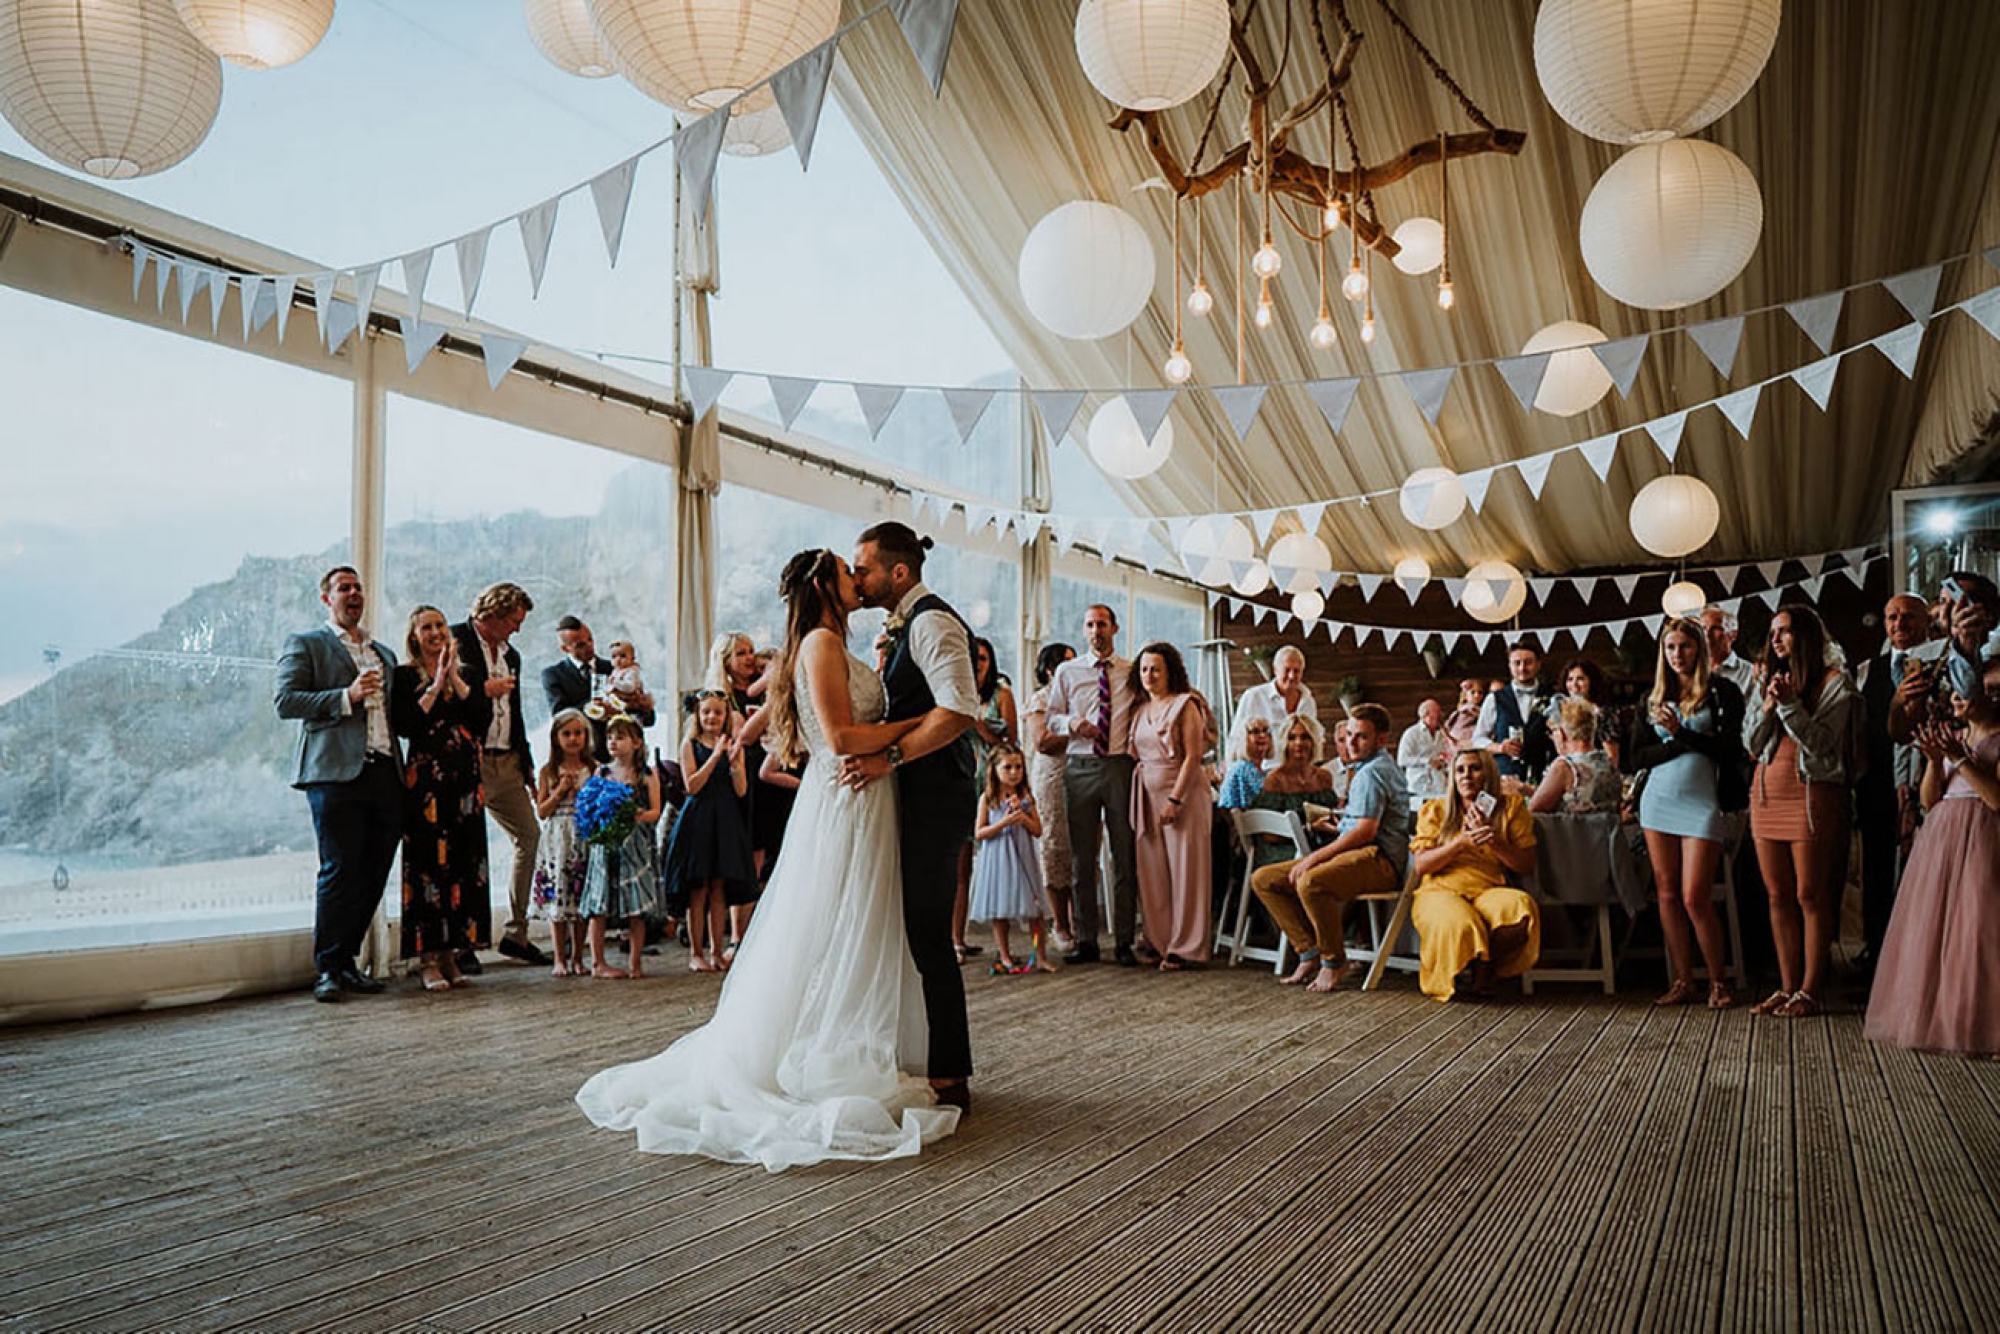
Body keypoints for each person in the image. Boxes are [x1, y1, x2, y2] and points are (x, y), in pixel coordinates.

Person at [576, 548, 960, 1169]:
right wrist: (921, 723)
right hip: (848, 794)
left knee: (856, 921)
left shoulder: (828, 642)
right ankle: (818, 1048)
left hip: (863, 794)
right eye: (847, 573)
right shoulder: (821, 644)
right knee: (838, 921)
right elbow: (839, 738)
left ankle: (851, 1038)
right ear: (824, 586)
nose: (857, 580)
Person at [842, 522, 979, 1110]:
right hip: (916, 792)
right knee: (912, 928)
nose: (858, 578)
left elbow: (959, 711)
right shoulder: (905, 624)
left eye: (865, 568)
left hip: (936, 794)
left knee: (928, 930)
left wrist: (890, 757)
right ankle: (918, 1055)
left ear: (898, 572)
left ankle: (950, 1072)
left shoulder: (932, 622)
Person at [274, 566, 403, 1004]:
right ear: (326, 598)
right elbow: (286, 701)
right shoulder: (306, 644)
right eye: (343, 588)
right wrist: (346, 696)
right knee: (339, 869)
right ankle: (328, 968)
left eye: (358, 587)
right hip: (334, 774)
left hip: (385, 772)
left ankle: (348, 962)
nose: (353, 593)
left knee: (374, 872)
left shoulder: (384, 653)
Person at [1865, 656, 2000, 1055]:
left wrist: (1960, 759)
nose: (1959, 696)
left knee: (1980, 929)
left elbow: (1995, 798)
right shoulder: (1953, 735)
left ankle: (1986, 1023)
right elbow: (1930, 799)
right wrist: (1934, 760)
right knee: (1940, 929)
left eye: (1973, 690)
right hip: (1943, 839)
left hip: (1984, 837)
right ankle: (1941, 1016)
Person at [1743, 604, 1860, 1018]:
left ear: (1806, 636)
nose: (1776, 639)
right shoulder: (1766, 680)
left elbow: (1823, 743)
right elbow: (1750, 743)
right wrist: (1767, 707)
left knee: (1810, 893)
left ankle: (1811, 988)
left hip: (1811, 793)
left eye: (1786, 631)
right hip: (1767, 793)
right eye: (1773, 632)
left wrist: (1791, 705)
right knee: (1777, 895)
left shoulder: (1836, 683)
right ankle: (1787, 985)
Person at [1629, 618, 1748, 1008]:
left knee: (1695, 896)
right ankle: (1683, 980)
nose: (1677, 654)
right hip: (1658, 800)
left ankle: (1718, 982)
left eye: (1685, 646)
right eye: (1670, 647)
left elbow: (1730, 748)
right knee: (1666, 893)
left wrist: (1681, 733)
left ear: (1699, 649)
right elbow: (1636, 756)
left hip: (1703, 801)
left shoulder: (1722, 692)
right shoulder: (1652, 697)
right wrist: (1682, 743)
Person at [1251, 704, 1410, 994]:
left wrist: (1313, 858)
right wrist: (1338, 826)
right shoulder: (1365, 769)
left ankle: (1334, 961)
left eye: (1361, 736)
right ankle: (1309, 952)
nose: (1351, 742)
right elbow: (1360, 825)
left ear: (1382, 739)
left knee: (1311, 882)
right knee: (1264, 879)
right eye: (1349, 735)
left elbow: (1366, 832)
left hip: (1380, 861)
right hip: (1359, 852)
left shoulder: (1373, 772)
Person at [391, 605, 493, 993]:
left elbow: (481, 719)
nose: (435, 633)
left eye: (440, 625)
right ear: (414, 636)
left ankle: (453, 954)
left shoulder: (469, 673)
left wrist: (453, 678)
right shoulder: (405, 676)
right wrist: (434, 685)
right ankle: (428, 959)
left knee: (464, 863)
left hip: (465, 781)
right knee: (428, 866)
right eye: (427, 627)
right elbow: (407, 724)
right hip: (427, 783)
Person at [453, 583, 549, 969]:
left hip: (507, 759)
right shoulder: (455, 640)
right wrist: (484, 689)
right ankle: (460, 941)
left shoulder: (512, 655)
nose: (517, 629)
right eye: (513, 621)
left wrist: (526, 763)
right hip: (470, 758)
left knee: (529, 836)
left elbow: (516, 710)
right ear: (492, 615)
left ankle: (516, 932)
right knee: (465, 848)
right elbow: (447, 696)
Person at [1043, 603, 1141, 966]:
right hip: (1080, 765)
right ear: (1084, 630)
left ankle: (1125, 942)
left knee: (1124, 856)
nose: (1096, 631)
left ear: (1114, 628)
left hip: (1120, 766)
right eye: (1090, 625)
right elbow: (1051, 718)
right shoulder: (1068, 671)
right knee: (1082, 859)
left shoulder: (1132, 671)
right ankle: (1086, 941)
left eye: (1102, 624)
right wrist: (1072, 724)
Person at [1406, 749, 1540, 1002]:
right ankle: (1459, 973)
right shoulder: (1436, 810)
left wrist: (1494, 841)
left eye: (1474, 769)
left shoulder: (1510, 807)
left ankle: (1484, 967)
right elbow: (1422, 866)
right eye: (1460, 770)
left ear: (1488, 774)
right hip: (1441, 890)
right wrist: (1460, 843)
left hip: (1488, 888)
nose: (1466, 775)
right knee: (1461, 923)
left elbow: (1526, 864)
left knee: (1520, 909)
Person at [1853, 593, 1931, 973]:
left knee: (1921, 869)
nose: (1900, 624)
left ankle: (1916, 957)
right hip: (1877, 782)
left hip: (1928, 779)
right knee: (1876, 870)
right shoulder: (1868, 670)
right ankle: (1876, 952)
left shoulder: (1940, 662)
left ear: (1927, 621)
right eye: (1892, 617)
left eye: (1909, 616)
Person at [1128, 642, 1215, 971]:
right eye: (1144, 669)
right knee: (1153, 871)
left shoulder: (1185, 705)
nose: (1149, 675)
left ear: (1170, 672)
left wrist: (1175, 799)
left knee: (1186, 871)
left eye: (1156, 669)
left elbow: (1193, 756)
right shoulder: (1140, 709)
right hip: (1146, 793)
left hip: (1183, 793)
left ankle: (1187, 947)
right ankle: (1160, 939)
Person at [662, 690, 756, 973]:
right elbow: (692, 786)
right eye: (706, 712)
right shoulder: (690, 745)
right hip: (699, 818)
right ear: (698, 715)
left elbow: (741, 790)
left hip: (724, 817)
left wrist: (736, 765)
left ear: (726, 716)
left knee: (718, 888)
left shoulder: (732, 745)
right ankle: (696, 952)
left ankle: (717, 951)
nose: (712, 717)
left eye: (717, 712)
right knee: (698, 888)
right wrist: (715, 757)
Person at [578, 716, 664, 979]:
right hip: (606, 843)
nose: (613, 742)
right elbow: (589, 805)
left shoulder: (646, 775)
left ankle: (635, 962)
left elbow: (656, 811)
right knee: (600, 904)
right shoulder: (602, 772)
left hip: (634, 844)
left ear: (637, 743)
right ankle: (598, 962)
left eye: (620, 737)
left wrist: (636, 814)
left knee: (636, 906)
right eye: (609, 737)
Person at [954, 636, 1018, 960]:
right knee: (960, 866)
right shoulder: (954, 691)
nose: (977, 664)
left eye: (982, 658)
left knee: (1000, 861)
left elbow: (1011, 742)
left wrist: (979, 725)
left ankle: (1004, 943)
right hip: (962, 781)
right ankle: (956, 938)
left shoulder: (1001, 694)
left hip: (993, 783)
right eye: (972, 658)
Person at [968, 743, 1056, 975]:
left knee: (1035, 909)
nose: (1014, 772)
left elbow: (1038, 830)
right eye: (1007, 767)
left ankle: (1041, 957)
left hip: (1023, 858)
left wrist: (1023, 817)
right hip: (998, 860)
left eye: (1018, 767)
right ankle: (1005, 955)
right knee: (1000, 909)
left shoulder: (1026, 798)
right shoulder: (988, 800)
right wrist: (1004, 822)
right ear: (995, 770)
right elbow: (979, 833)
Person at [706, 631, 770, 950]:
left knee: (765, 855)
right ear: (726, 661)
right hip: (742, 777)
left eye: (751, 651)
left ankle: (760, 929)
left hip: (770, 776)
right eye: (741, 653)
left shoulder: (764, 689)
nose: (750, 658)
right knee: (744, 856)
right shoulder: (722, 699)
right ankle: (737, 935)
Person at [1023, 642, 1078, 952]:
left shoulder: (1079, 697)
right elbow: (1042, 741)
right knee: (1055, 844)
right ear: (1049, 670)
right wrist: (1078, 731)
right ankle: (1060, 923)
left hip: (1082, 774)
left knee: (1080, 845)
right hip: (1053, 777)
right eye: (1066, 663)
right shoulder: (1041, 699)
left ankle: (1078, 919)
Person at [541, 616, 656, 762]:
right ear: (565, 648)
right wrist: (594, 707)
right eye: (580, 645)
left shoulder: (617, 670)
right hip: (582, 759)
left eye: (590, 640)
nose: (589, 646)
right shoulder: (554, 675)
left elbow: (648, 719)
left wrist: (639, 705)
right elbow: (560, 716)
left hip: (622, 758)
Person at [532, 708, 594, 977]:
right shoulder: (548, 771)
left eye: (578, 733)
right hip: (558, 837)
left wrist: (583, 795)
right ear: (556, 738)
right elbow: (542, 811)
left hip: (582, 836)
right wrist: (559, 791)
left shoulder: (593, 769)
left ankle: (579, 956)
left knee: (580, 899)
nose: (573, 739)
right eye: (566, 734)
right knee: (559, 898)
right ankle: (559, 957)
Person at [1469, 642, 1554, 783]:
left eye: (1528, 662)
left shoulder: (1552, 697)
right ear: (1509, 666)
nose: (1522, 668)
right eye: (1517, 663)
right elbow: (1477, 740)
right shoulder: (1495, 699)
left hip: (1544, 777)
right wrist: (1500, 747)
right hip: (1506, 777)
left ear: (1538, 664)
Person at [1528, 699, 1621, 815]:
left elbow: (1533, 812)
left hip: (1570, 827)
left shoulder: (1565, 768)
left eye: (1552, 732)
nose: (1552, 737)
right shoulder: (1608, 763)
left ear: (1561, 733)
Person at [1234, 645, 1318, 761]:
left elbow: (1314, 740)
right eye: (1287, 670)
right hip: (1263, 769)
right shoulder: (1254, 696)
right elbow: (1236, 739)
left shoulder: (1308, 701)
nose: (1291, 676)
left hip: (1297, 769)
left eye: (1296, 671)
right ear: (1275, 670)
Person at [1551, 657, 1622, 771]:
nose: (1574, 684)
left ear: (1592, 682)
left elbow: (1612, 758)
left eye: (1580, 679)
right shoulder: (1559, 713)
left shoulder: (1603, 714)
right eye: (1570, 679)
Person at [1398, 698, 1452, 806]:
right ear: (1426, 715)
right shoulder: (1411, 733)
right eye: (1437, 712)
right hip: (1419, 786)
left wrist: (1443, 761)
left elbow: (1446, 753)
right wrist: (1427, 761)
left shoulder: (1441, 734)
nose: (1440, 715)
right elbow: (1402, 760)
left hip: (1439, 785)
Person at [1218, 715, 1276, 809]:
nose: (1262, 735)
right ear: (1244, 738)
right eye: (1255, 732)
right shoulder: (1243, 768)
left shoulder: (1259, 770)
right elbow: (1269, 799)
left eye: (1265, 730)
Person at [1703, 607, 1757, 698]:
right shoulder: (1692, 670)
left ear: (1733, 635)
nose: (1707, 635)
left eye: (1716, 628)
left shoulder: (1750, 673)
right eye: (1703, 629)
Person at [1444, 678, 1485, 751]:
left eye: (1480, 693)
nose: (1477, 695)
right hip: (1460, 735)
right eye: (1473, 692)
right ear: (1466, 695)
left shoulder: (1474, 708)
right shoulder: (1468, 708)